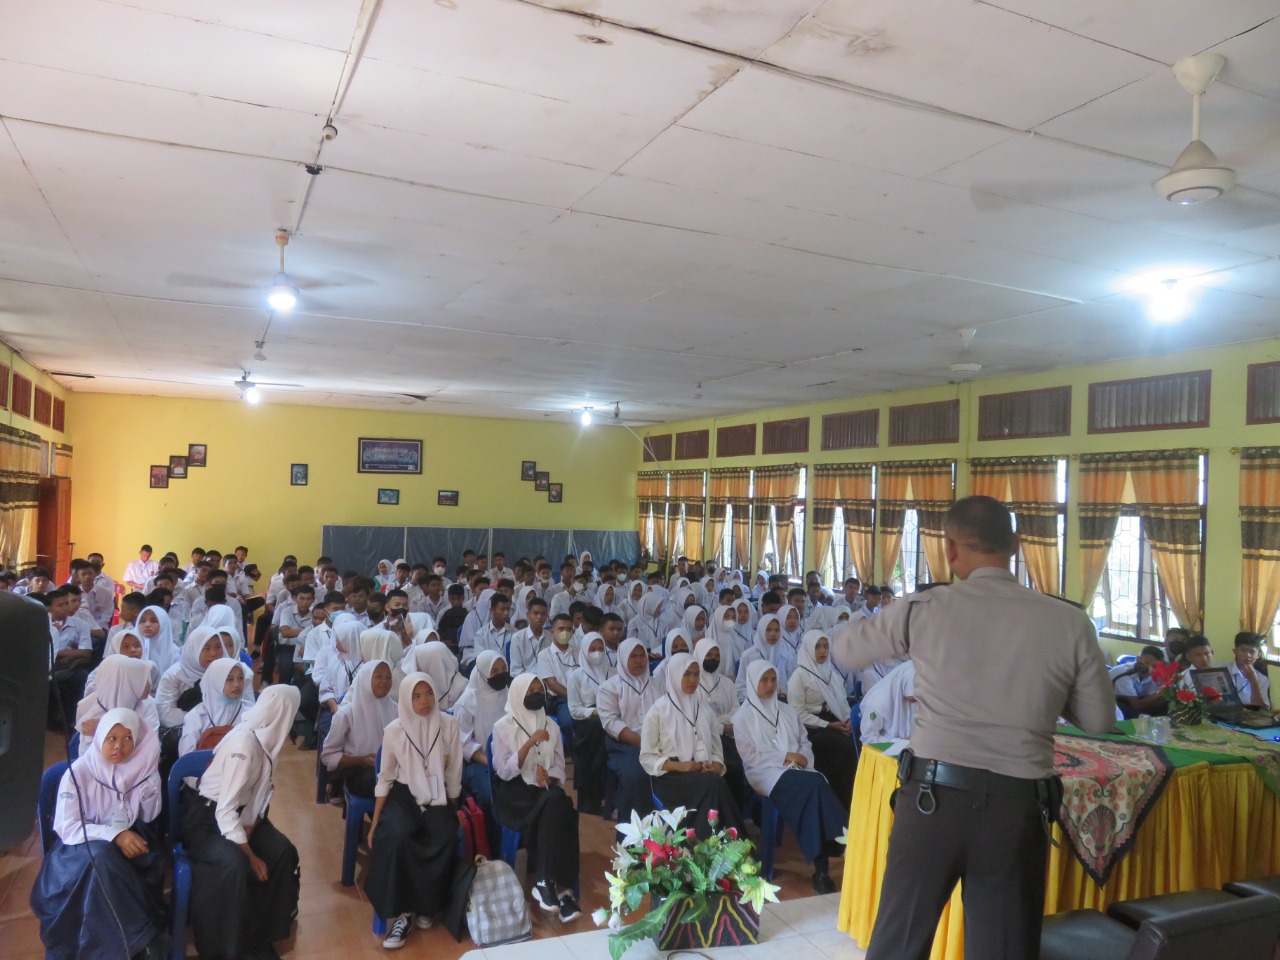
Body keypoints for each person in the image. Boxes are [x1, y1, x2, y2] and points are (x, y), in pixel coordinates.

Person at [829, 496, 1115, 960]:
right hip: (1016, 811)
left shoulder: (924, 608)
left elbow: (845, 652)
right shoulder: (1069, 622)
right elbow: (1100, 720)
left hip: (931, 803)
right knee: (1002, 949)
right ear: (1016, 546)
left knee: (899, 943)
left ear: (951, 549)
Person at [31, 708, 167, 960]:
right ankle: (141, 941)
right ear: (100, 737)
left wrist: (150, 784)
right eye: (112, 738)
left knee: (114, 860)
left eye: (128, 738)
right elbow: (67, 827)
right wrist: (115, 835)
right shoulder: (80, 772)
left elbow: (148, 817)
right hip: (75, 854)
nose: (120, 746)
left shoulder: (141, 770)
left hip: (122, 852)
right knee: (101, 856)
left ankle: (123, 945)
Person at [184, 686, 302, 960]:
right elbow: (223, 812)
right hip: (207, 820)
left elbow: (263, 793)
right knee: (234, 864)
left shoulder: (268, 739)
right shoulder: (244, 745)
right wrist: (248, 853)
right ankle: (225, 949)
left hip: (239, 817)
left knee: (281, 851)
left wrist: (254, 825)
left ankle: (259, 936)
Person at [365, 673, 462, 950]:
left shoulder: (448, 725)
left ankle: (426, 906)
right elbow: (385, 779)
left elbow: (454, 770)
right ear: (407, 699)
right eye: (416, 696)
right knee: (398, 836)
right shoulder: (394, 730)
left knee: (444, 834)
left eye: (429, 693)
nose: (424, 701)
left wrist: (452, 805)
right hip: (404, 795)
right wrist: (373, 825)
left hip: (437, 795)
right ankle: (403, 913)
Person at [734, 661, 846, 893]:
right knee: (815, 784)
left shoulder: (786, 710)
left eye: (773, 680)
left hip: (798, 771)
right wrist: (785, 757)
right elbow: (750, 756)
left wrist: (801, 757)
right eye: (764, 680)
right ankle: (843, 837)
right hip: (765, 773)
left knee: (812, 788)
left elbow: (804, 741)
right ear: (753, 683)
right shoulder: (743, 717)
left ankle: (822, 868)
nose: (770, 685)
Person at [491, 674, 583, 922]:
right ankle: (561, 890)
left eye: (539, 689)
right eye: (529, 689)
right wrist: (528, 744)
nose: (536, 693)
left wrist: (548, 777)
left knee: (560, 805)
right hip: (514, 793)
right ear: (518, 693)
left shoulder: (551, 726)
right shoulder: (503, 726)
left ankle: (547, 883)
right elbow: (503, 771)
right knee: (558, 808)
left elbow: (560, 769)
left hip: (542, 790)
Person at [641, 651, 745, 839]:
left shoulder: (704, 710)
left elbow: (716, 750)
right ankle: (731, 840)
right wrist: (680, 766)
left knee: (715, 781)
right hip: (671, 777)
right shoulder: (657, 711)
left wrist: (716, 764)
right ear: (674, 675)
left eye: (696, 674)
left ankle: (709, 842)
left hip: (700, 772)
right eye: (686, 674)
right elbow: (647, 757)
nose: (693, 680)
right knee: (714, 785)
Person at [597, 638, 661, 828]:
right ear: (623, 658)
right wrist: (642, 742)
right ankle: (634, 835)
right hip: (624, 742)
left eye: (642, 656)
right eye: (633, 656)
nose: (639, 660)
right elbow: (611, 722)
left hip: (657, 740)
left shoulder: (658, 684)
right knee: (637, 775)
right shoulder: (609, 687)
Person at [787, 630, 857, 806]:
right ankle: (842, 801)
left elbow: (842, 701)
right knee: (844, 748)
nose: (822, 651)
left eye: (826, 646)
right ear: (808, 649)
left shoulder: (831, 674)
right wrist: (829, 725)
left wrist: (848, 721)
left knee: (859, 743)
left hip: (836, 720)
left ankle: (855, 798)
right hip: (812, 727)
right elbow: (798, 713)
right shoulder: (799, 676)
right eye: (817, 647)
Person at [322, 660, 397, 800]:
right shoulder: (346, 714)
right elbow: (327, 756)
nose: (384, 681)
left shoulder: (396, 709)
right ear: (366, 680)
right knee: (388, 787)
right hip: (359, 771)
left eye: (388, 677)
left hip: (390, 768)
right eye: (378, 676)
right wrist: (362, 760)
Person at [452, 651, 511, 813]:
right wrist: (490, 761)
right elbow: (462, 742)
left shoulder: (509, 694)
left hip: (509, 758)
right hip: (478, 761)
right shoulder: (468, 701)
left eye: (503, 669)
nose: (501, 675)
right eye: (495, 671)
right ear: (483, 672)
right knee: (489, 794)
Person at [567, 632, 615, 815]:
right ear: (585, 651)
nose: (597, 653)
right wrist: (595, 711)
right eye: (592, 649)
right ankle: (591, 798)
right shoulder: (576, 677)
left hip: (610, 718)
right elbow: (574, 709)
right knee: (595, 729)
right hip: (588, 722)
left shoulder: (613, 672)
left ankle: (612, 797)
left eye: (601, 649)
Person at [179, 656, 253, 757]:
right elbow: (187, 760)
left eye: (240, 678)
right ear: (215, 682)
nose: (236, 684)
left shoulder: (251, 712)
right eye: (229, 679)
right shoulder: (196, 717)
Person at [75, 653, 159, 739]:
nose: (150, 684)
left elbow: (150, 742)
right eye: (144, 680)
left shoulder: (148, 705)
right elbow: (86, 749)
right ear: (126, 682)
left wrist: (103, 729)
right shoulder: (89, 707)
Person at [736, 613, 795, 703]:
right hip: (755, 706)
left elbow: (792, 685)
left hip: (781, 705)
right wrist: (761, 695)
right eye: (768, 630)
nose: (773, 634)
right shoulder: (748, 655)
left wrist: (785, 695)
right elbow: (740, 690)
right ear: (761, 630)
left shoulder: (785, 656)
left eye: (777, 630)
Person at [859, 659, 918, 744]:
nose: (918, 698)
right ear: (904, 682)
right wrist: (902, 743)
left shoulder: (914, 698)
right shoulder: (877, 702)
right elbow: (868, 739)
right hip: (887, 753)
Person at [401, 639, 466, 710]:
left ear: (433, 664)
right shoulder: (424, 689)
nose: (417, 670)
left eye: (419, 665)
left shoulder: (463, 690)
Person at [1110, 646, 1167, 718]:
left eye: (1154, 666)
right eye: (1146, 663)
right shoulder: (1123, 673)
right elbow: (1136, 705)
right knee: (1132, 712)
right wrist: (1159, 692)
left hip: (1132, 703)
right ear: (1137, 658)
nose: (1149, 668)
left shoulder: (1152, 675)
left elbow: (1151, 701)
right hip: (1112, 705)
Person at [1228, 632, 1272, 710]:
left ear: (1258, 655)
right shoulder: (1224, 670)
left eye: (1252, 652)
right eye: (1243, 650)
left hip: (1250, 717)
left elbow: (1262, 710)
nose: (1248, 655)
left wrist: (1254, 682)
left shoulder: (1262, 679)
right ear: (1235, 652)